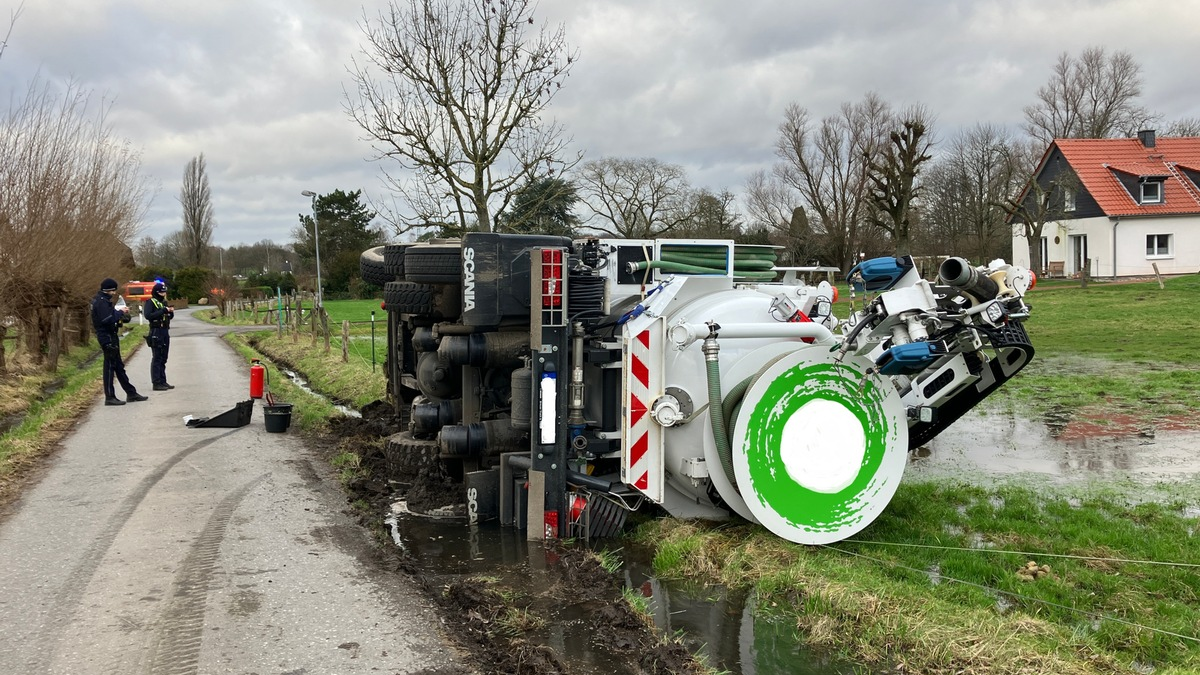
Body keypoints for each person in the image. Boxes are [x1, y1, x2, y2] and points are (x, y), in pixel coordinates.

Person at [90, 278, 148, 406]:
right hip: (107, 336)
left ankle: (131, 393)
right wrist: (120, 312)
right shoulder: (101, 302)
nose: (114, 293)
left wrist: (117, 312)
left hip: (110, 335)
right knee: (110, 367)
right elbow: (106, 319)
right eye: (113, 290)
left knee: (118, 366)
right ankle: (110, 396)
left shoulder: (101, 300)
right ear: (109, 290)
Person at [143, 281, 175, 390]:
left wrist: (170, 312)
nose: (163, 294)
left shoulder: (164, 302)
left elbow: (169, 317)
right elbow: (148, 315)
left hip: (165, 330)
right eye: (161, 292)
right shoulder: (150, 302)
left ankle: (163, 381)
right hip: (156, 331)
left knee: (164, 358)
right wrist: (163, 311)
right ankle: (156, 382)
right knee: (157, 357)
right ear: (156, 292)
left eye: (164, 292)